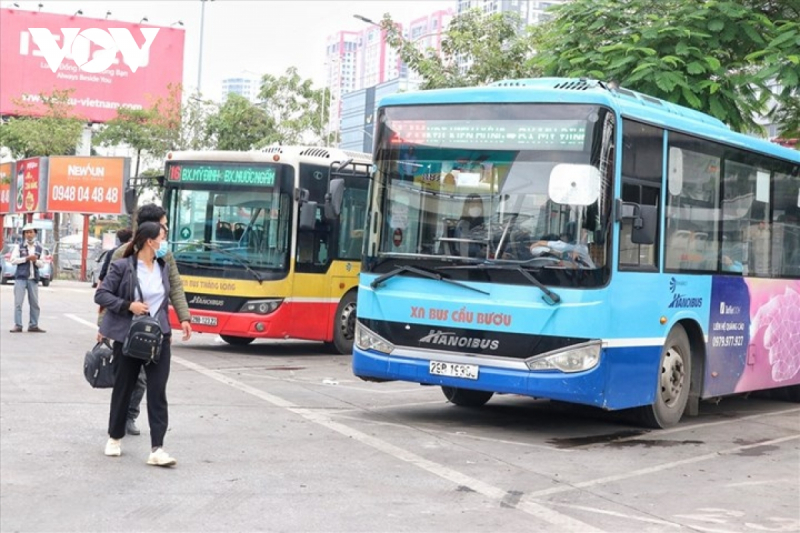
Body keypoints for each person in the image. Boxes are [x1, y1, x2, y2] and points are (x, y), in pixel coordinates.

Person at [95, 222, 188, 466]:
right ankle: (114, 438)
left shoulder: (163, 267)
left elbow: (174, 292)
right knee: (123, 388)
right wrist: (129, 306)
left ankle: (157, 448)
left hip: (159, 339)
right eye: (163, 236)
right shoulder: (123, 266)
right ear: (150, 241)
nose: (165, 242)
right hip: (128, 338)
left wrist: (184, 319)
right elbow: (101, 295)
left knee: (158, 392)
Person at [97, 228, 144, 436]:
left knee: (141, 380)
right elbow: (104, 291)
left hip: (146, 332)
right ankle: (118, 421)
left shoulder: (160, 265)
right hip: (122, 329)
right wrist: (102, 326)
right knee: (123, 379)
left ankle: (130, 416)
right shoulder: (118, 258)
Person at [9, 224, 46, 333]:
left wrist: (35, 261)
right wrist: (26, 258)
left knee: (34, 303)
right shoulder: (19, 247)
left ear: (35, 233)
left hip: (33, 278)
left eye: (31, 232)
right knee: (18, 303)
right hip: (21, 278)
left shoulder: (39, 248)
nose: (29, 234)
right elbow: (13, 260)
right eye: (26, 232)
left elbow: (42, 264)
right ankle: (18, 325)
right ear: (24, 234)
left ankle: (33, 325)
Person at [455, 194, 486, 258]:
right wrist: (481, 252)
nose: (476, 207)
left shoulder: (481, 225)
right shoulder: (463, 225)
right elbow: (464, 250)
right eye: (473, 205)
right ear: (466, 207)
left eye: (479, 205)